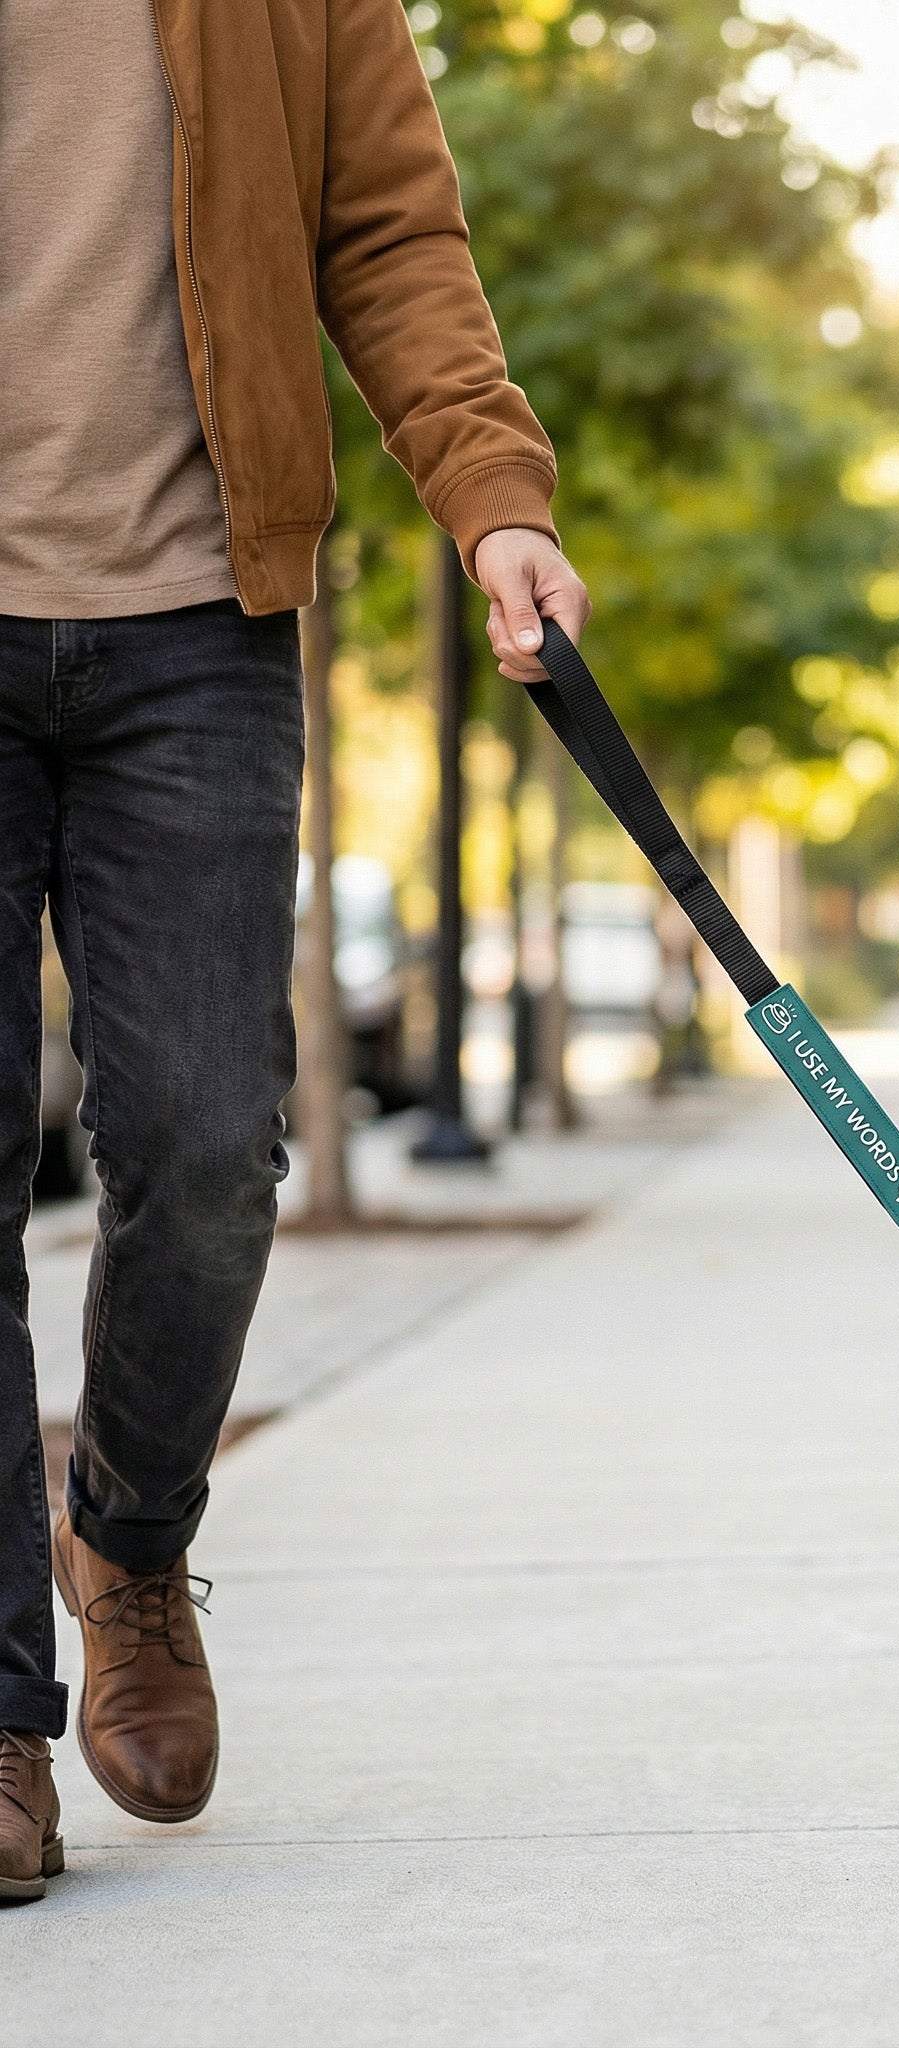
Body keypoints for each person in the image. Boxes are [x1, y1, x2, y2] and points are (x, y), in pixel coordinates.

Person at [0, 0, 590, 1900]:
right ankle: (4, 1725)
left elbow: (392, 232)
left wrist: (493, 499)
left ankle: (134, 1539)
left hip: (195, 612)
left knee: (201, 1148)